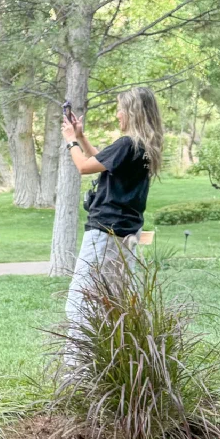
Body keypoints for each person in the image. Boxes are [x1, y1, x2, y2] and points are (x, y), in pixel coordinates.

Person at [61, 87, 163, 328]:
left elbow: (84, 167)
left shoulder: (127, 143)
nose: (118, 114)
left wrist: (71, 141)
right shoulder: (143, 146)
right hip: (127, 231)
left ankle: (78, 353)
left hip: (105, 230)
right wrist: (81, 137)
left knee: (81, 301)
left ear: (133, 112)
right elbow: (102, 161)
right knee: (112, 298)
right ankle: (109, 348)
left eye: (120, 109)